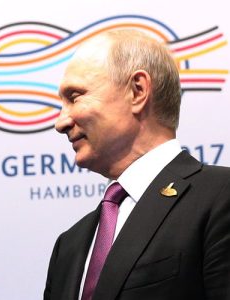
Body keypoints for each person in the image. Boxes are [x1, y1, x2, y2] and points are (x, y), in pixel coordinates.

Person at [44, 29, 230, 300]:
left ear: (137, 91)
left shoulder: (220, 197)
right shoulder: (70, 245)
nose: (60, 122)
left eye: (75, 97)